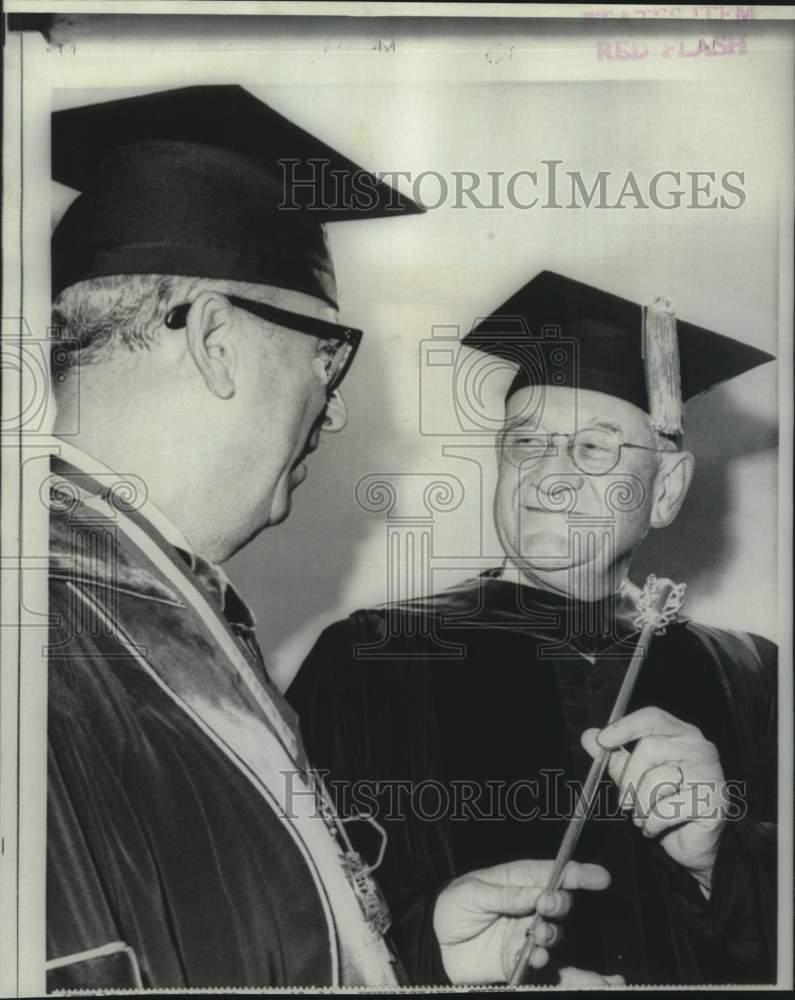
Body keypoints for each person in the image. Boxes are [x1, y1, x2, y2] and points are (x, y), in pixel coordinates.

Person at [45, 90, 609, 990]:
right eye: (326, 358)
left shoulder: (149, 599)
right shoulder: (43, 635)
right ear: (219, 342)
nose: (336, 408)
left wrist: (411, 965)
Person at [288, 270, 778, 986]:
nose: (549, 478)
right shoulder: (372, 658)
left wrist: (715, 859)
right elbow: (302, 919)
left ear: (666, 488)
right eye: (525, 444)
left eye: (592, 448)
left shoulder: (748, 675)